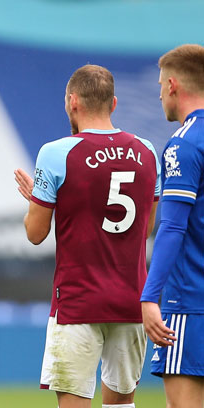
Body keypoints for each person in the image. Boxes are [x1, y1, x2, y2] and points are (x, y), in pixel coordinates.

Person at [15, 64, 160, 408]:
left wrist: (39, 200)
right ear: (114, 104)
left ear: (72, 101)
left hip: (79, 300)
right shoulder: (147, 152)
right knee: (122, 405)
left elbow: (35, 234)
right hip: (131, 299)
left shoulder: (57, 152)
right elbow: (146, 228)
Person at [140, 44, 204, 408]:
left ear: (174, 85)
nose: (159, 93)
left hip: (190, 302)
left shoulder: (183, 144)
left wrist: (151, 296)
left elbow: (173, 227)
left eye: (161, 84)